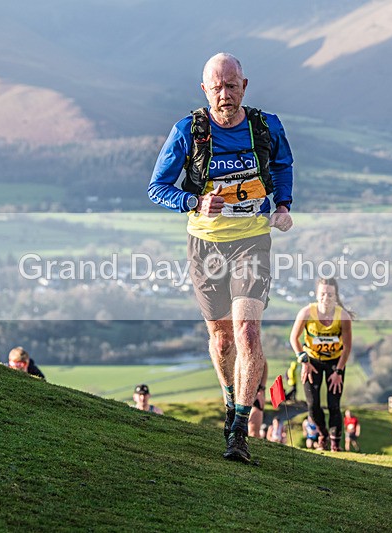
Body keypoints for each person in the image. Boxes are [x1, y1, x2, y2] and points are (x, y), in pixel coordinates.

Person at [148, 53, 294, 463]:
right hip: (205, 245)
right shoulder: (188, 132)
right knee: (222, 337)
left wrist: (283, 205)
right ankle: (231, 400)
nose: (224, 95)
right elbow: (157, 187)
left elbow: (283, 164)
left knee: (247, 332)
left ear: (244, 86)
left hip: (252, 241)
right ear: (204, 89)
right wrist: (193, 200)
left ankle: (239, 430)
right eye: (216, 87)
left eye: (231, 86)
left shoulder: (265, 126)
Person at [290, 277, 354, 452]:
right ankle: (322, 434)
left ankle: (335, 444)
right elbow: (293, 338)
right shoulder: (306, 313)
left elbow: (347, 347)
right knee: (313, 404)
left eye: (330, 294)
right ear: (317, 295)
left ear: (335, 296)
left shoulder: (343, 316)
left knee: (334, 404)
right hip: (312, 361)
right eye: (323, 294)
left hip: (335, 362)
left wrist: (338, 371)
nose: (326, 297)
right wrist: (304, 360)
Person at [247, 360, 268, 439]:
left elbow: (264, 363)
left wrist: (261, 390)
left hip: (256, 393)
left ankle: (253, 449)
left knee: (253, 430)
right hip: (238, 394)